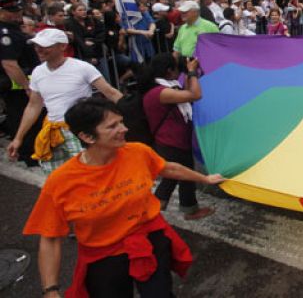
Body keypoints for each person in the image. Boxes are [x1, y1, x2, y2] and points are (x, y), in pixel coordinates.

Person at [23, 97, 225, 298]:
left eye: (121, 122)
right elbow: (49, 238)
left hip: (150, 242)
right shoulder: (61, 181)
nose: (124, 129)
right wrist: (50, 290)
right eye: (112, 126)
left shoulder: (138, 152)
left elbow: (169, 168)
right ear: (87, 137)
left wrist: (205, 178)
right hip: (103, 258)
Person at [6, 29, 123, 174]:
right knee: (58, 178)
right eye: (36, 46)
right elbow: (33, 106)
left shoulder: (82, 68)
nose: (39, 50)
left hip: (79, 130)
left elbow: (110, 92)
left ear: (62, 46)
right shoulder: (38, 72)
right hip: (52, 131)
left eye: (45, 46)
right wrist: (18, 138)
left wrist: (130, 117)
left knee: (90, 175)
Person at [140, 53, 214, 220]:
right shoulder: (160, 92)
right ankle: (182, 211)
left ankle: (159, 210)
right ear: (168, 71)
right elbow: (195, 95)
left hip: (175, 140)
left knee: (178, 176)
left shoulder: (169, 87)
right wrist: (192, 72)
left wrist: (189, 74)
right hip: (170, 142)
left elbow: (188, 91)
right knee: (179, 176)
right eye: (176, 68)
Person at [0, 0, 40, 166]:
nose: (16, 14)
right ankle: (27, 153)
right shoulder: (5, 33)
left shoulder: (13, 28)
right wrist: (26, 86)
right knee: (22, 114)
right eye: (11, 11)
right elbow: (9, 64)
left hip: (22, 79)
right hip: (16, 83)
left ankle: (31, 149)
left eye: (17, 10)